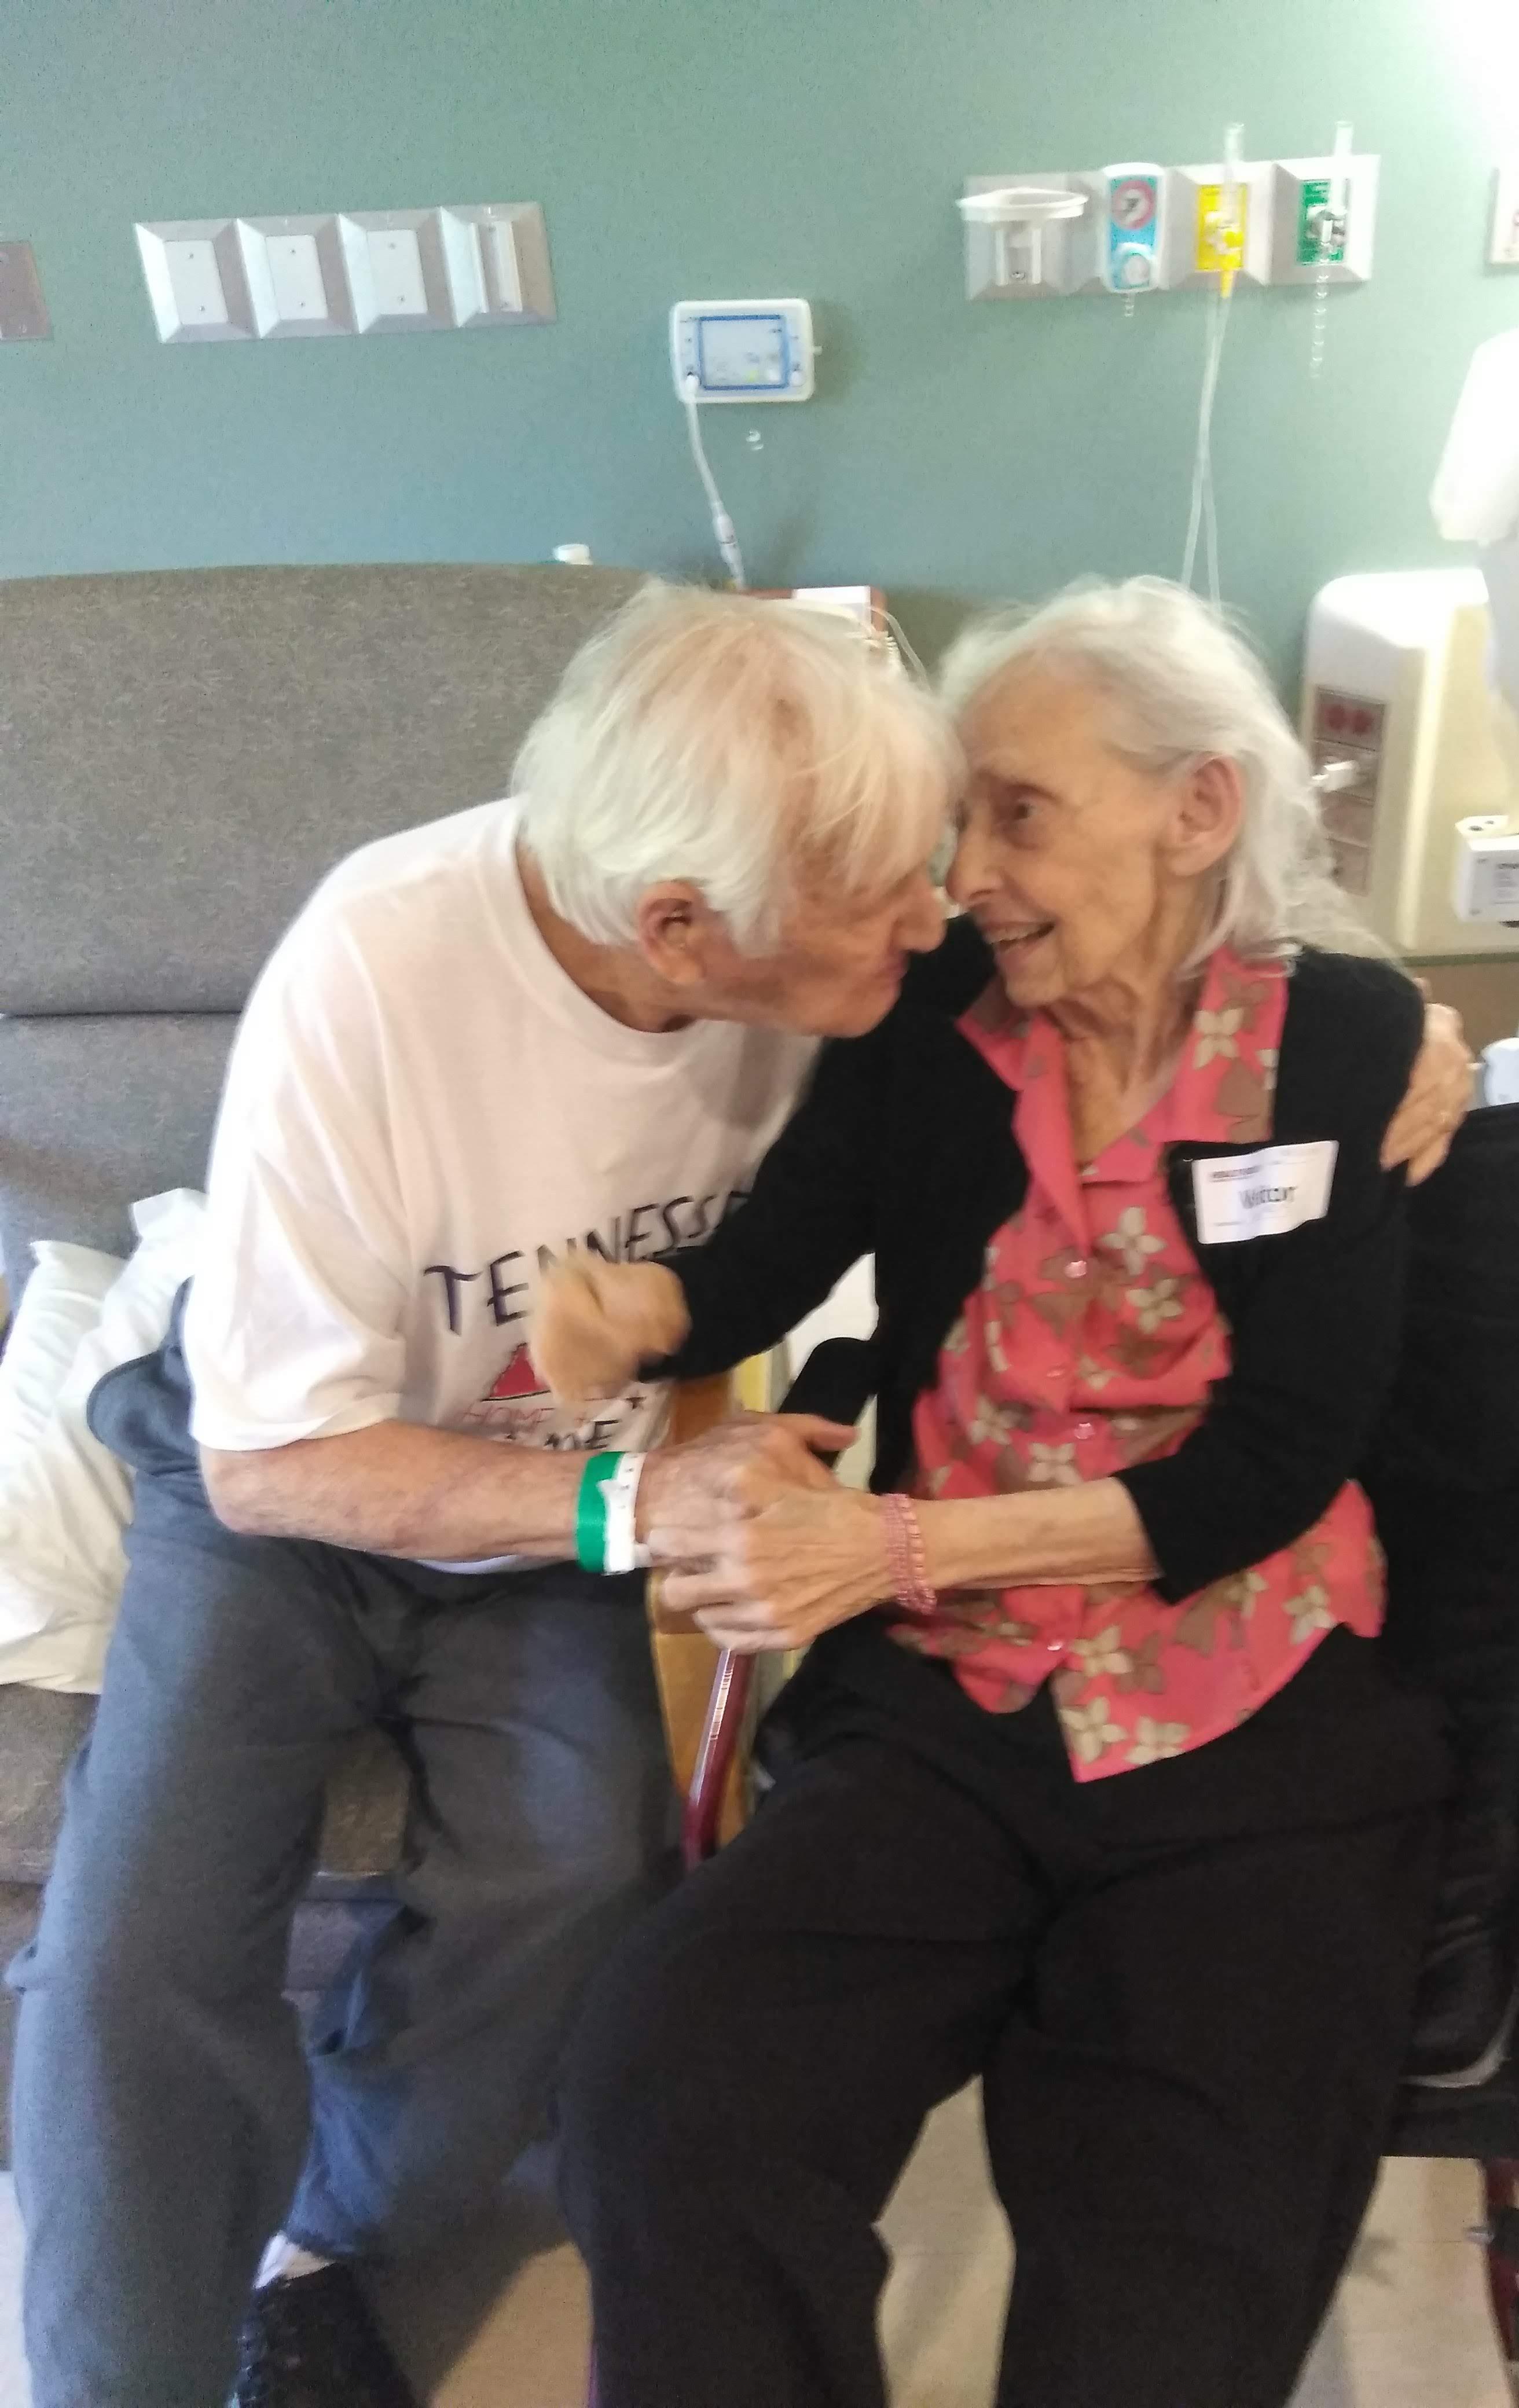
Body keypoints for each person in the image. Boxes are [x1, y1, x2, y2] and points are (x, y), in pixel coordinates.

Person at [6, 586, 954, 2408]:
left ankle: (331, 2230)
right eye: (893, 903)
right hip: (292, 1488)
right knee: (135, 1947)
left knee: (584, 1864)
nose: (936, 921)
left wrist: (1406, 1044)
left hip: (558, 1503)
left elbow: (1134, 941)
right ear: (682, 930)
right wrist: (634, 1514)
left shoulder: (847, 940)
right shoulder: (378, 966)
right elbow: (271, 1455)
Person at [541, 576, 1468, 2408]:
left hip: (1251, 1726)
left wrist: (881, 1541)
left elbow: (1273, 1468)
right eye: (963, 814)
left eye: (1017, 813)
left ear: (1197, 811)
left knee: (1162, 2304)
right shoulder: (939, 1017)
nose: (965, 870)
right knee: (667, 2091)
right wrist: (643, 1307)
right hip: (949, 1702)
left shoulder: (1344, 1046)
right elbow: (782, 1246)